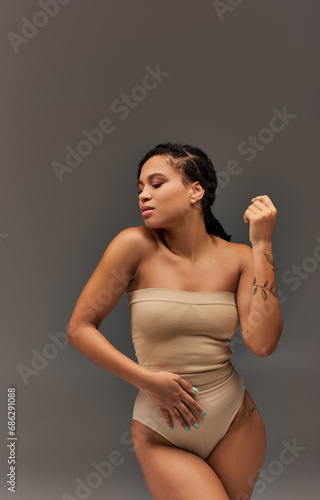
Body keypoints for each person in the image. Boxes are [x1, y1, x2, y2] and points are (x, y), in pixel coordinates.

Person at [66, 142, 283, 500]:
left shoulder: (241, 258)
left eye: (156, 183)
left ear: (195, 190)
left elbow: (262, 343)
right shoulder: (133, 246)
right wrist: (148, 381)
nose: (144, 195)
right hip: (161, 430)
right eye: (140, 188)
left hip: (235, 422)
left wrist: (263, 245)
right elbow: (79, 328)